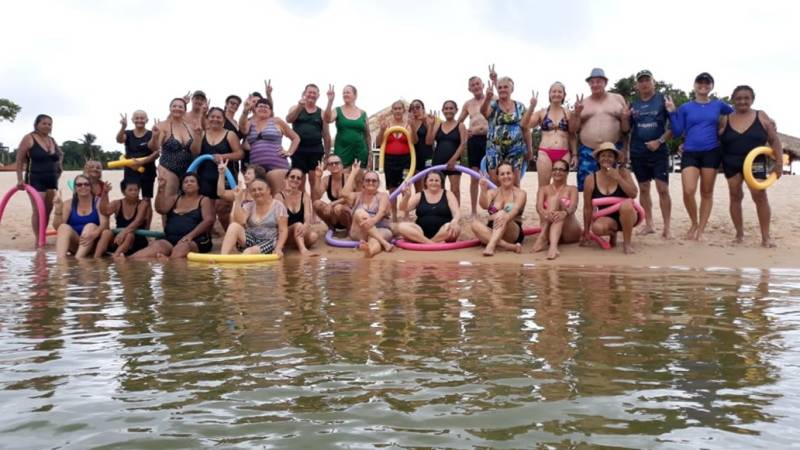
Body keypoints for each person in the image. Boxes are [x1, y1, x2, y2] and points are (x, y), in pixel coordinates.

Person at [666, 72, 733, 240]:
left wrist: (723, 125)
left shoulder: (718, 105)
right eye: (700, 82)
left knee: (706, 192)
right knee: (688, 191)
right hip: (690, 151)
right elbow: (677, 131)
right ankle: (694, 222)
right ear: (694, 85)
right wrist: (672, 112)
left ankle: (701, 230)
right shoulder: (686, 108)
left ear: (712, 86)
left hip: (712, 151)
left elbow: (736, 113)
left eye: (707, 82)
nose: (703, 85)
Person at [718, 85, 783, 247]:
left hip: (756, 161)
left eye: (746, 98)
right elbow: (712, 137)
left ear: (752, 99)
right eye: (739, 98)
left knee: (759, 195)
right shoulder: (725, 118)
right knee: (735, 195)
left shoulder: (761, 116)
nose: (742, 101)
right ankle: (739, 235)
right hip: (731, 161)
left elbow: (774, 140)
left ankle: (766, 237)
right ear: (733, 100)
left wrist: (779, 163)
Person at [627, 70, 672, 238]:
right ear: (637, 85)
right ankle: (649, 224)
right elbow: (627, 129)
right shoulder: (633, 104)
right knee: (644, 189)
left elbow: (673, 127)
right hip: (638, 152)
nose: (644, 83)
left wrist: (659, 141)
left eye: (647, 80)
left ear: (654, 82)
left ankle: (667, 227)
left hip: (659, 151)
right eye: (641, 81)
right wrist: (625, 117)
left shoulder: (663, 100)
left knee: (662, 189)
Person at [570, 68, 631, 192]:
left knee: (613, 187)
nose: (595, 84)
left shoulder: (617, 99)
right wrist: (576, 114)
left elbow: (626, 129)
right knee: (587, 187)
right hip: (588, 151)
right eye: (592, 82)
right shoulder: (583, 103)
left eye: (598, 81)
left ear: (605, 82)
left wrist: (625, 149)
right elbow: (573, 129)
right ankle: (590, 211)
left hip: (613, 150)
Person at [130, 173, 214, 259]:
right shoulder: (175, 199)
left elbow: (208, 220)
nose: (188, 183)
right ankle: (125, 261)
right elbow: (160, 209)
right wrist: (161, 189)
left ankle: (168, 261)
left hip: (195, 240)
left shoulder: (204, 200)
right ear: (182, 186)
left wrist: (190, 236)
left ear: (198, 185)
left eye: (192, 181)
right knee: (144, 254)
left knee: (181, 248)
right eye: (185, 182)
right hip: (170, 239)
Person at [191, 107, 244, 228]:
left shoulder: (229, 134)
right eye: (212, 117)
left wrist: (223, 156)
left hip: (225, 177)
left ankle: (231, 237)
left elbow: (240, 154)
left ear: (223, 120)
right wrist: (197, 136)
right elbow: (195, 152)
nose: (215, 119)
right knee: (207, 214)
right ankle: (207, 239)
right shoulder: (202, 133)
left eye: (218, 117)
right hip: (204, 177)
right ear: (208, 119)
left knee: (223, 211)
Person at [582, 142, 639, 254]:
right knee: (597, 228)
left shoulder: (623, 173)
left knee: (626, 206)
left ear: (615, 159)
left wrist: (618, 178)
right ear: (598, 159)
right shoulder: (590, 179)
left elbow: (633, 194)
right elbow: (587, 208)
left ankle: (627, 244)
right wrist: (586, 231)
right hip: (607, 217)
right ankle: (613, 235)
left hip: (628, 214)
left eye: (610, 156)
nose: (606, 158)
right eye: (603, 155)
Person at [480, 68, 531, 184]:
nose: (502, 89)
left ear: (512, 89)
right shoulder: (493, 104)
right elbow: (484, 113)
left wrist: (529, 149)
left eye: (505, 87)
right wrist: (487, 98)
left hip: (516, 147)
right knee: (494, 182)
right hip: (494, 147)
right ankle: (495, 202)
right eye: (500, 87)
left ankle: (514, 202)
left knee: (515, 182)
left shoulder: (521, 107)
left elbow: (526, 129)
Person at [15, 114, 61, 239]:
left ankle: (42, 235)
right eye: (44, 123)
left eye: (49, 124)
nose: (47, 126)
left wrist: (58, 172)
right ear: (36, 125)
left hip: (52, 179)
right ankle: (38, 239)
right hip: (35, 178)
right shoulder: (29, 138)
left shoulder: (52, 140)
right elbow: (19, 160)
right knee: (38, 210)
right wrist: (19, 179)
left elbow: (58, 159)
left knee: (47, 210)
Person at [240, 98, 300, 193]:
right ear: (255, 109)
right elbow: (242, 129)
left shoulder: (277, 121)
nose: (263, 108)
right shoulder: (250, 123)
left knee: (279, 194)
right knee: (257, 195)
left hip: (277, 164)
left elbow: (296, 138)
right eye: (260, 106)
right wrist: (245, 110)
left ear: (271, 111)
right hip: (256, 166)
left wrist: (289, 152)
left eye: (266, 107)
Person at [220, 176, 288, 257]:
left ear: (268, 190)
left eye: (260, 189)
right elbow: (240, 221)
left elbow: (283, 230)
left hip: (269, 241)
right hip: (252, 239)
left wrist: (278, 248)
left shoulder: (278, 206)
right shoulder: (249, 205)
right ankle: (222, 257)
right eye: (254, 190)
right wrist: (238, 199)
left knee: (248, 252)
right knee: (234, 226)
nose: (257, 192)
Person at [471, 161, 528, 256]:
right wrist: (483, 189)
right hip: (492, 230)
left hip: (512, 230)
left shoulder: (520, 193)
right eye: (502, 174)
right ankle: (508, 246)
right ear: (498, 177)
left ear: (513, 175)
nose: (506, 176)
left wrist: (500, 215)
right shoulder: (492, 192)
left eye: (508, 173)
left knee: (502, 214)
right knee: (474, 224)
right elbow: (483, 205)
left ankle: (491, 246)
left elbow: (515, 210)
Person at [340, 160, 394, 257]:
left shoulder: (383, 196)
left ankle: (370, 251)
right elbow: (344, 193)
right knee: (360, 212)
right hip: (359, 232)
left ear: (378, 183)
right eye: (367, 180)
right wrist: (353, 173)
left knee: (374, 239)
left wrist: (373, 220)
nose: (371, 182)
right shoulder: (357, 196)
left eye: (374, 181)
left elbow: (381, 212)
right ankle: (384, 243)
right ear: (363, 183)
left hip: (381, 228)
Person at [286, 83, 331, 195]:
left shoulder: (322, 113)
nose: (311, 95)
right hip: (298, 149)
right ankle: (303, 207)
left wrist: (327, 155)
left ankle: (314, 210)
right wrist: (299, 106)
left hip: (315, 150)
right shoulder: (295, 108)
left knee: (314, 180)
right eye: (309, 92)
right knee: (299, 180)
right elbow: (289, 119)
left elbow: (326, 135)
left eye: (314, 93)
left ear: (318, 96)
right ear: (304, 93)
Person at [531, 159, 581, 259]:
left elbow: (573, 207)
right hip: (552, 227)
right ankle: (553, 248)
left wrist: (564, 212)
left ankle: (543, 236)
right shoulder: (544, 189)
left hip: (570, 229)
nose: (557, 172)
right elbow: (539, 207)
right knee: (557, 213)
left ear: (567, 172)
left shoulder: (572, 189)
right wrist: (546, 214)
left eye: (561, 169)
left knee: (555, 199)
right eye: (555, 169)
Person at [526, 82, 573, 187]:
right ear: (549, 94)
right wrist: (531, 107)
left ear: (564, 95)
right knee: (543, 187)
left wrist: (575, 155)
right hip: (545, 152)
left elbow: (573, 134)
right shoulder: (542, 113)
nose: (556, 94)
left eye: (559, 92)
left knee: (562, 187)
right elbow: (526, 125)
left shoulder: (569, 113)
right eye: (554, 91)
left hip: (564, 152)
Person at [378, 100, 417, 219]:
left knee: (406, 186)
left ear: (403, 110)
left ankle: (406, 213)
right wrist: (381, 130)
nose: (398, 111)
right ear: (392, 110)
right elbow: (379, 142)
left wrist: (414, 128)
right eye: (395, 108)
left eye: (400, 108)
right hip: (389, 160)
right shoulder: (387, 124)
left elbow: (415, 141)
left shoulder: (408, 124)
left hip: (406, 160)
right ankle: (394, 214)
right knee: (392, 188)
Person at [397, 171, 461, 243]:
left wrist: (454, 221)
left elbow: (456, 212)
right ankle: (431, 243)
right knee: (401, 226)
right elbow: (403, 208)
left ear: (441, 183)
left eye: (437, 180)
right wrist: (407, 196)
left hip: (443, 232)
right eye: (431, 180)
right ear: (425, 182)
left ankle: (428, 242)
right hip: (421, 233)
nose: (434, 183)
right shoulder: (419, 195)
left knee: (455, 228)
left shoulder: (448, 194)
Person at [53, 174, 108, 258]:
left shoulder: (98, 202)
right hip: (75, 243)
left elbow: (104, 224)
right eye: (79, 185)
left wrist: (95, 234)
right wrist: (58, 209)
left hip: (93, 242)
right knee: (63, 227)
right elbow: (58, 227)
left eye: (86, 184)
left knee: (90, 226)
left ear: (91, 187)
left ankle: (78, 260)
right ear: (75, 188)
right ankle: (61, 261)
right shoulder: (68, 204)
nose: (83, 187)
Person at [457, 76, 489, 216]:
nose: (476, 86)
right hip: (474, 140)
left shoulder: (491, 99)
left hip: (490, 139)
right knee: (474, 176)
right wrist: (464, 134)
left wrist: (494, 80)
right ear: (469, 88)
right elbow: (459, 122)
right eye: (472, 85)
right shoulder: (468, 104)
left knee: (492, 174)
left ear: (482, 84)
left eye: (477, 84)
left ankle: (494, 207)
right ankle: (474, 210)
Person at [95, 179, 152, 257]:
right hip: (119, 239)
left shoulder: (143, 204)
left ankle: (115, 257)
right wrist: (105, 193)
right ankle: (96, 259)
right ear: (123, 192)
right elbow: (104, 211)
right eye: (130, 190)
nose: (134, 192)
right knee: (106, 233)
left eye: (136, 190)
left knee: (129, 235)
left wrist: (123, 232)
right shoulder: (117, 203)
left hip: (137, 241)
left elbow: (138, 221)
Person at [149, 98, 194, 197]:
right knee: (168, 203)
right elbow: (154, 148)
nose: (177, 108)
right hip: (168, 168)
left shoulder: (190, 127)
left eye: (180, 106)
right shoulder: (162, 125)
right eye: (174, 106)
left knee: (185, 201)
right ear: (170, 108)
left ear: (185, 110)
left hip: (188, 169)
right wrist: (155, 136)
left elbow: (196, 149)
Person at [426, 100, 468, 205]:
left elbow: (463, 144)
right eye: (446, 108)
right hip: (438, 161)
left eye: (451, 108)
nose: (448, 110)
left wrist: (453, 160)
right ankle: (443, 211)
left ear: (456, 110)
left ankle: (456, 212)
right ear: (443, 110)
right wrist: (431, 125)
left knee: (455, 190)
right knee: (439, 189)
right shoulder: (437, 125)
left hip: (454, 162)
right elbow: (429, 142)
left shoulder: (460, 126)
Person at [324, 84, 371, 170]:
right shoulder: (337, 110)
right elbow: (327, 119)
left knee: (359, 179)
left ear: (355, 95)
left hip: (360, 151)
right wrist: (330, 101)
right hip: (342, 151)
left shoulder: (363, 113)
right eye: (343, 93)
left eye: (348, 92)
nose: (345, 94)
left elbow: (367, 135)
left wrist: (370, 153)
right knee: (341, 178)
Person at [116, 110, 158, 201]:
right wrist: (123, 127)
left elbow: (157, 153)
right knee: (131, 198)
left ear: (147, 120)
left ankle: (146, 215)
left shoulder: (152, 134)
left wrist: (141, 162)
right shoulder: (127, 133)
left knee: (146, 200)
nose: (139, 120)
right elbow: (119, 140)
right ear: (132, 120)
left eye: (142, 118)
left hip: (148, 170)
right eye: (137, 118)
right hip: (131, 171)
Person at [278, 168, 320, 256]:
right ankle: (303, 250)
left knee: (313, 236)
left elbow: (307, 216)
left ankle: (294, 244)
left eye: (298, 178)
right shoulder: (279, 196)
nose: (295, 180)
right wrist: (288, 195)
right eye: (292, 177)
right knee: (298, 224)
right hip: (284, 232)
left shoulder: (305, 196)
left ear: (301, 182)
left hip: (299, 231)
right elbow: (281, 219)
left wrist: (306, 225)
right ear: (286, 179)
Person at [311, 156, 355, 231]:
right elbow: (317, 195)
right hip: (334, 215)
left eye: (336, 163)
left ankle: (349, 230)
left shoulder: (348, 178)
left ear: (342, 165)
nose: (334, 165)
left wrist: (332, 203)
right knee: (316, 203)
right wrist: (318, 177)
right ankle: (331, 227)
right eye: (331, 164)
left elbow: (350, 197)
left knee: (338, 207)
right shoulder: (326, 179)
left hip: (348, 214)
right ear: (327, 167)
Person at [408, 99, 434, 192]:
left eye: (418, 107)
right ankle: (419, 205)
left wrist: (428, 125)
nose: (415, 109)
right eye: (412, 108)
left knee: (427, 183)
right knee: (417, 185)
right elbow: (414, 141)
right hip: (414, 156)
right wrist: (412, 126)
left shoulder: (429, 120)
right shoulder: (409, 123)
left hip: (427, 155)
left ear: (423, 108)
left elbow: (430, 141)